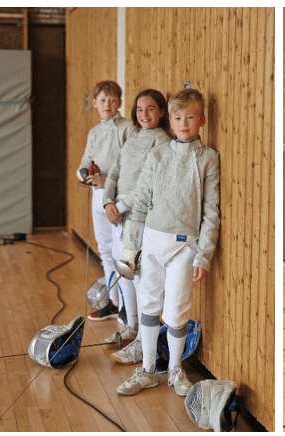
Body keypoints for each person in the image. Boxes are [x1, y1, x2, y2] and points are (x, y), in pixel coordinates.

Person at [115, 88, 220, 397]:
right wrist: (130, 251)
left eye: (190, 117)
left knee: (176, 310)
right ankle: (148, 370)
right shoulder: (157, 153)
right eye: (177, 118)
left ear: (201, 120)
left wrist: (204, 256)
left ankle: (175, 369)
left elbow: (211, 211)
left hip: (184, 247)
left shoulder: (208, 158)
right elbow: (141, 204)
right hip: (151, 242)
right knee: (148, 305)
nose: (183, 123)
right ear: (170, 121)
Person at [104, 89, 172, 364]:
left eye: (151, 109)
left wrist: (120, 207)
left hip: (139, 217)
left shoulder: (163, 142)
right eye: (140, 109)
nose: (144, 115)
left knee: (145, 283)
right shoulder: (133, 136)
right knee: (126, 273)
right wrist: (108, 201)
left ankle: (145, 345)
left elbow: (148, 186)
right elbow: (116, 171)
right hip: (118, 215)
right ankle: (131, 328)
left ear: (162, 112)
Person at [77, 80, 138, 322]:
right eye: (102, 100)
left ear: (120, 103)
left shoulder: (128, 128)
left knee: (122, 254)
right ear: (95, 103)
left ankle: (127, 308)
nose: (107, 105)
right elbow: (84, 162)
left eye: (112, 100)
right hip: (98, 197)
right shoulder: (94, 132)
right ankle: (113, 303)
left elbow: (133, 167)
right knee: (105, 252)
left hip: (119, 197)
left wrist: (106, 182)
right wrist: (85, 175)